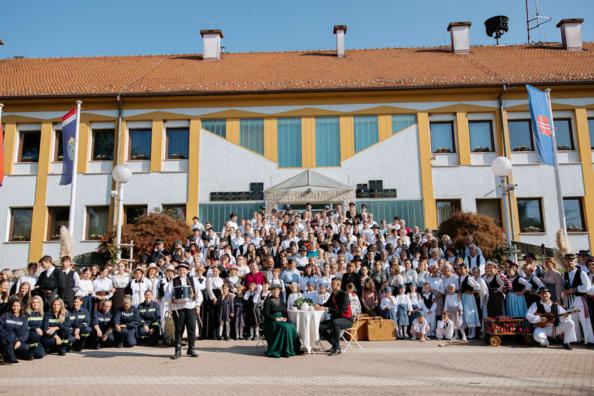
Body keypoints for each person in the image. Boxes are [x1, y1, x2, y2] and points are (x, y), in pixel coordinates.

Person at [164, 261, 202, 359]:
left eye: (184, 270)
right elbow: (167, 294)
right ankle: (178, 351)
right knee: (179, 329)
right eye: (180, 270)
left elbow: (198, 293)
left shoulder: (192, 280)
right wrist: (171, 299)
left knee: (191, 328)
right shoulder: (173, 281)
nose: (182, 271)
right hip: (178, 308)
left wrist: (198, 305)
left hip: (190, 306)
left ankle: (191, 349)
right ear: (177, 271)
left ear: (187, 271)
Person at [561, 253, 594, 345]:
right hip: (570, 300)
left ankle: (590, 340)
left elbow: (587, 287)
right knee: (573, 320)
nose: (570, 262)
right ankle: (577, 339)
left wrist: (575, 289)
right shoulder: (564, 275)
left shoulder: (581, 273)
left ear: (575, 261)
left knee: (584, 319)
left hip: (580, 298)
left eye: (572, 260)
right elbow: (564, 287)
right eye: (568, 260)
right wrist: (565, 292)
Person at [262, 284, 302, 358]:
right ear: (270, 291)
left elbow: (284, 312)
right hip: (271, 321)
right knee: (284, 327)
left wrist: (285, 318)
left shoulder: (281, 300)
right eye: (274, 290)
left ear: (280, 291)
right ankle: (282, 350)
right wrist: (276, 319)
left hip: (281, 319)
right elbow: (266, 314)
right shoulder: (268, 300)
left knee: (291, 326)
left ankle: (291, 349)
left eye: (277, 290)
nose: (276, 291)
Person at [317, 278, 353, 356]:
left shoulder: (344, 295)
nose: (331, 285)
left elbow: (341, 311)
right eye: (332, 283)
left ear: (338, 285)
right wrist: (319, 306)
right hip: (336, 319)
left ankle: (337, 348)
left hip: (347, 320)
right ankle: (334, 344)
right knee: (319, 327)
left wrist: (326, 309)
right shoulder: (333, 294)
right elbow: (327, 304)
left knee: (335, 323)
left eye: (333, 284)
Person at [0, 298, 30, 364]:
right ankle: (12, 359)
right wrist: (6, 335)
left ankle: (6, 354)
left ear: (21, 307)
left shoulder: (24, 318)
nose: (15, 308)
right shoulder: (5, 315)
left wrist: (19, 340)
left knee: (26, 347)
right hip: (4, 339)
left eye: (17, 306)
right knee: (11, 335)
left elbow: (25, 332)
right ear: (11, 306)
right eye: (14, 306)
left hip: (16, 341)